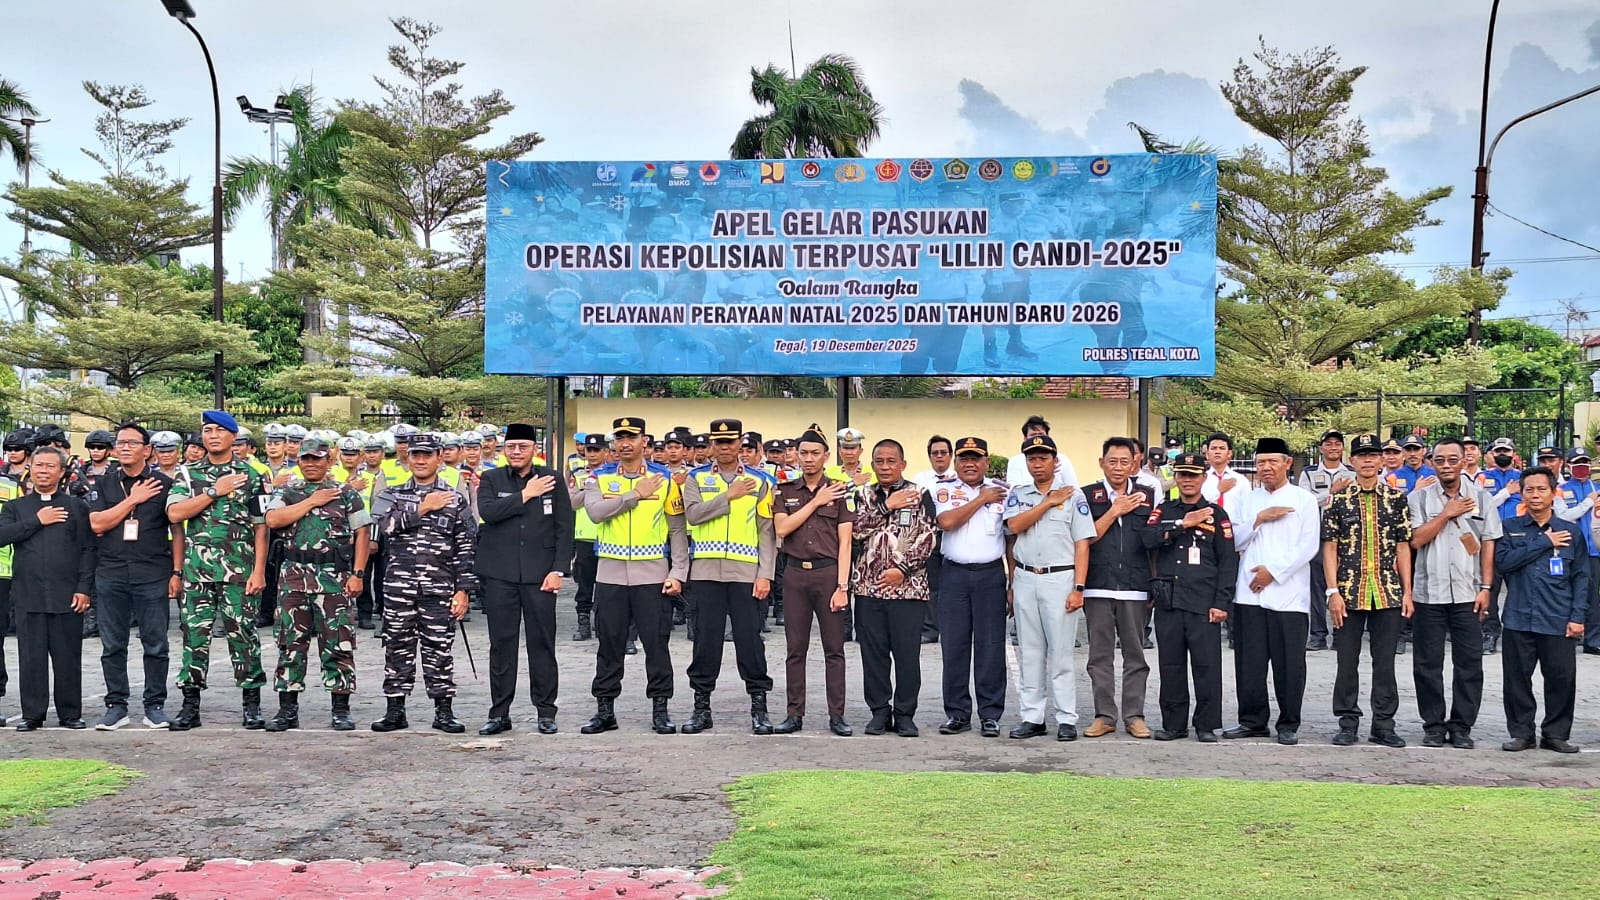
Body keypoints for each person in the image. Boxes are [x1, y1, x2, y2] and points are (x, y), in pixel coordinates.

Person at [578, 417, 688, 735]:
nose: (625, 443)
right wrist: (635, 495)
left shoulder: (664, 479)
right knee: (609, 645)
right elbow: (595, 513)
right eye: (620, 438)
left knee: (657, 645)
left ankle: (660, 709)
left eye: (631, 437)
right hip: (610, 574)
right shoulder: (599, 477)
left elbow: (677, 529)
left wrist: (678, 572)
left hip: (652, 574)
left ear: (644, 441)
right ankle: (605, 710)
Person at [166, 411, 271, 731]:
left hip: (239, 571)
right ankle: (190, 705)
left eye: (219, 430)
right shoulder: (188, 474)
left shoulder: (251, 475)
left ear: (233, 436)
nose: (212, 435)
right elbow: (175, 514)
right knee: (194, 637)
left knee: (244, 635)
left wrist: (259, 570)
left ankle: (251, 704)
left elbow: (261, 526)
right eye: (207, 430)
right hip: (197, 572)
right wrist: (214, 491)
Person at [259, 438, 371, 732]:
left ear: (328, 460)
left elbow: (362, 532)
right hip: (294, 578)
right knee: (290, 644)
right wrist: (311, 501)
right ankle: (287, 709)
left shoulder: (346, 493)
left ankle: (341, 709)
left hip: (334, 577)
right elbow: (272, 520)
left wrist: (358, 573)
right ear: (298, 461)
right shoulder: (287, 491)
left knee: (338, 643)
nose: (310, 464)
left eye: (316, 459)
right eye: (305, 459)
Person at [370, 433, 477, 734]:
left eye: (426, 455)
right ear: (407, 458)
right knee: (396, 647)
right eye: (415, 454)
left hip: (439, 588)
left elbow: (466, 547)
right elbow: (385, 526)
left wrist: (463, 590)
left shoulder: (454, 499)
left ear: (439, 458)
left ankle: (444, 711)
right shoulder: (392, 494)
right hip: (399, 589)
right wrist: (423, 508)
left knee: (439, 649)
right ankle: (395, 710)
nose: (419, 460)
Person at [680, 418, 778, 735]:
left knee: (750, 641)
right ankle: (701, 708)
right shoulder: (695, 478)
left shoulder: (761, 481)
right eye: (719, 442)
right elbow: (692, 515)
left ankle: (759, 707)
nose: (725, 447)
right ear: (711, 444)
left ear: (740, 444)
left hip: (746, 572)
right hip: (706, 571)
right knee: (705, 641)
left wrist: (766, 574)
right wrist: (728, 497)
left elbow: (767, 531)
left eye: (730, 442)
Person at [474, 423, 573, 736]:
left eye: (523, 446)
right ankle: (499, 713)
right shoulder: (491, 478)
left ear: (535, 449)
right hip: (499, 574)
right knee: (501, 645)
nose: (516, 452)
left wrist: (558, 569)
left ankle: (546, 711)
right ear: (504, 449)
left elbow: (564, 526)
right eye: (511, 446)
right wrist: (526, 494)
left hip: (540, 575)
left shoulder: (552, 479)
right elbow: (489, 512)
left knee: (542, 644)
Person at [1225, 437, 1320, 746]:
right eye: (1261, 462)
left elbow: (1308, 546)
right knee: (1249, 663)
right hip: (1249, 594)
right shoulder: (1248, 499)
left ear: (1287, 463)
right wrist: (1258, 519)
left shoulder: (1304, 500)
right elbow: (1234, 540)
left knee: (1289, 664)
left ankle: (1289, 723)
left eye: (1272, 461)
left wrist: (1273, 573)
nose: (1266, 467)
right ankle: (1252, 721)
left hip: (1288, 595)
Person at [1321, 434, 1414, 748]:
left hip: (1386, 591)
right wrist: (1332, 591)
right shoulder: (1340, 499)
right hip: (1348, 591)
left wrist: (1407, 591)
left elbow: (1403, 547)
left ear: (1382, 459)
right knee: (1346, 661)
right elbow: (1330, 548)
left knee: (1384, 662)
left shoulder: (1396, 498)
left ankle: (1383, 724)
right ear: (1352, 460)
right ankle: (1347, 722)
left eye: (1373, 455)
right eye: (1362, 455)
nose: (1368, 460)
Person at [86, 424, 178, 730]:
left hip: (152, 572)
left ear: (147, 449)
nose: (124, 447)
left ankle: (155, 705)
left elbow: (177, 530)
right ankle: (116, 705)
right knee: (113, 644)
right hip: (111, 572)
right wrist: (133, 500)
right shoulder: (103, 483)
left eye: (132, 442)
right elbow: (97, 523)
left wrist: (177, 572)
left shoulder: (164, 484)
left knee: (156, 643)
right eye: (120, 442)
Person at [1408, 437, 1498, 749]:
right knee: (1427, 664)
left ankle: (1461, 726)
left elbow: (1488, 544)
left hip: (1468, 594)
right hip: (1428, 594)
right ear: (1431, 462)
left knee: (1469, 663)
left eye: (1452, 459)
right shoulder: (1418, 498)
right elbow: (1416, 539)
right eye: (1440, 460)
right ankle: (1433, 725)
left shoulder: (1482, 497)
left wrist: (1486, 588)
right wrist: (1446, 513)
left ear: (1464, 461)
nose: (1446, 466)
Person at [1004, 434, 1094, 741]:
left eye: (1043, 458)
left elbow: (1082, 545)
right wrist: (1048, 504)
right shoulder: (1019, 494)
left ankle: (1066, 717)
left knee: (1061, 653)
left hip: (1060, 578)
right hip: (1026, 577)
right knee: (1030, 652)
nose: (1037, 464)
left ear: (1055, 462)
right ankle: (1033, 717)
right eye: (1032, 458)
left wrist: (1079, 588)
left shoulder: (1073, 496)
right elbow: (1014, 527)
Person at [0, 446, 96, 731]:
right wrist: (37, 521)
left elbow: (88, 549)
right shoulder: (15, 507)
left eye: (50, 466)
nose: (43, 471)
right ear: (30, 468)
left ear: (62, 472)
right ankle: (33, 713)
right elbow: (3, 536)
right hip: (28, 593)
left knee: (68, 657)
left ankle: (70, 713)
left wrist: (84, 588)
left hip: (67, 593)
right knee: (31, 658)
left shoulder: (76, 506)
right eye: (39, 465)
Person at [1143, 451, 1236, 742]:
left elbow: (1227, 562)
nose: (1187, 481)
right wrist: (1182, 523)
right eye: (1182, 475)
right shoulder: (1164, 510)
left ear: (1203, 478)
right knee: (1171, 666)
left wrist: (1221, 603)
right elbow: (1147, 539)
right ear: (1176, 477)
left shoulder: (1216, 515)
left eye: (1193, 476)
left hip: (1203, 602)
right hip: (1169, 601)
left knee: (1207, 666)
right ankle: (1174, 724)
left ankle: (1206, 724)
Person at [1495, 466, 1588, 753]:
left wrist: (1578, 617)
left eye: (1541, 489)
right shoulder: (1509, 527)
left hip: (1558, 618)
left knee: (1561, 679)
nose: (1535, 495)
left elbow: (1581, 577)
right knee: (1516, 680)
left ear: (1553, 492)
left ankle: (1555, 734)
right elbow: (1504, 563)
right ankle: (1521, 733)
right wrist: (1544, 542)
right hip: (1518, 616)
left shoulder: (1571, 532)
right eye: (1529, 489)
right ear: (1522, 494)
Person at [851, 439, 940, 737]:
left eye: (891, 461)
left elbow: (929, 537)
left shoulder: (920, 494)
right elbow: (855, 530)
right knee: (873, 655)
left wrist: (902, 570)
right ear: (872, 464)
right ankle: (879, 711)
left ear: (903, 464)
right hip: (869, 589)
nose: (885, 466)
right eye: (879, 461)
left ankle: (904, 714)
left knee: (906, 655)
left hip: (908, 590)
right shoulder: (863, 495)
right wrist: (886, 506)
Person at [772, 424, 855, 736]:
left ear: (826, 456)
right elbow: (782, 529)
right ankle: (794, 714)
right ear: (796, 456)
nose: (809, 459)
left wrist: (842, 586)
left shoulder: (839, 491)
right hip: (795, 574)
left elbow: (845, 542)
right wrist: (816, 501)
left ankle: (837, 715)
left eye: (815, 453)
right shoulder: (785, 491)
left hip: (828, 574)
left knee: (834, 649)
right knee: (796, 649)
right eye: (804, 453)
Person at [931, 437, 1009, 738]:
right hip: (954, 575)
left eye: (976, 458)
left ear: (986, 462)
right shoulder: (944, 489)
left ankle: (990, 714)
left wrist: (1013, 582)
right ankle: (957, 713)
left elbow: (1011, 539)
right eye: (964, 458)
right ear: (955, 462)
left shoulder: (1003, 492)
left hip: (990, 575)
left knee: (991, 647)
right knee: (954, 646)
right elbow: (947, 522)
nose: (970, 464)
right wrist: (980, 500)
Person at [1080, 437, 1157, 738]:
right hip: (1098, 585)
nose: (1118, 467)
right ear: (1102, 463)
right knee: (1099, 657)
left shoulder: (1148, 495)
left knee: (1135, 655)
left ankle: (1134, 716)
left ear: (1134, 463)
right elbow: (1085, 538)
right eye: (1112, 461)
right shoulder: (1087, 495)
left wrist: (1154, 585)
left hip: (1135, 586)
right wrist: (1114, 510)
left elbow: (1154, 542)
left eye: (1125, 461)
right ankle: (1104, 715)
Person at [1298, 430, 1355, 652]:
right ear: (1321, 448)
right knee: (1317, 587)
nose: (1333, 448)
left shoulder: (1351, 472)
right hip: (1319, 536)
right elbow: (1304, 502)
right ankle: (1318, 635)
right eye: (1328, 444)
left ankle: (1341, 635)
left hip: (1346, 536)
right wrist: (1331, 493)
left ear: (1342, 448)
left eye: (1337, 444)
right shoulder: (1309, 473)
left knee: (1344, 585)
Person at [1554, 448, 1600, 655]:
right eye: (1577, 463)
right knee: (1568, 592)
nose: (1582, 467)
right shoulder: (1560, 490)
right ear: (1568, 466)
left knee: (1592, 596)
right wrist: (1589, 502)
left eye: (1585, 463)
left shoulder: (1597, 487)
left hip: (1594, 550)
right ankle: (1568, 633)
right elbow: (1564, 516)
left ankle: (1592, 639)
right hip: (1570, 548)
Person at [1480, 437, 1523, 655]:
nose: (1502, 454)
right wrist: (1506, 492)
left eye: (1506, 450)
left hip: (1520, 539)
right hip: (1493, 539)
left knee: (1520, 588)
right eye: (1498, 451)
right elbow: (1482, 506)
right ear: (1492, 454)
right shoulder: (1482, 477)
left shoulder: (1524, 478)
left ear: (1514, 454)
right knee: (1491, 588)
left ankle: (1518, 632)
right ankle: (1490, 633)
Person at [912, 435, 955, 645]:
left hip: (953, 536)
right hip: (929, 536)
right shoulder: (920, 479)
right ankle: (930, 629)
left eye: (943, 453)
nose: (939, 456)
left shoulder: (959, 479)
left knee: (952, 584)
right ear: (929, 456)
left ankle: (951, 628)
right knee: (931, 584)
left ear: (951, 455)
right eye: (935, 453)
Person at [569, 433, 608, 642]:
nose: (592, 454)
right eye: (589, 450)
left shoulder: (612, 475)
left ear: (606, 452)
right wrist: (591, 488)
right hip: (585, 536)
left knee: (605, 585)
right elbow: (572, 503)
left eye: (596, 450)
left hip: (608, 537)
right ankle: (583, 621)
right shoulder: (578, 475)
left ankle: (602, 622)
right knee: (585, 584)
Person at [1004, 415, 1079, 489]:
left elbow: (1073, 487)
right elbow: (1013, 490)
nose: (1037, 438)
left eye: (1041, 434)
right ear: (1025, 439)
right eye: (1033, 435)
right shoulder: (1015, 461)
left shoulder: (1062, 459)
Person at [1200, 432, 1247, 526]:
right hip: (1207, 528)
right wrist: (1218, 491)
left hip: (1234, 529)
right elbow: (1197, 505)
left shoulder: (1241, 480)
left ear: (1229, 453)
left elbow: (1247, 510)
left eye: (1222, 448)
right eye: (1213, 448)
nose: (1217, 451)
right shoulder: (1200, 479)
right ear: (1207, 454)